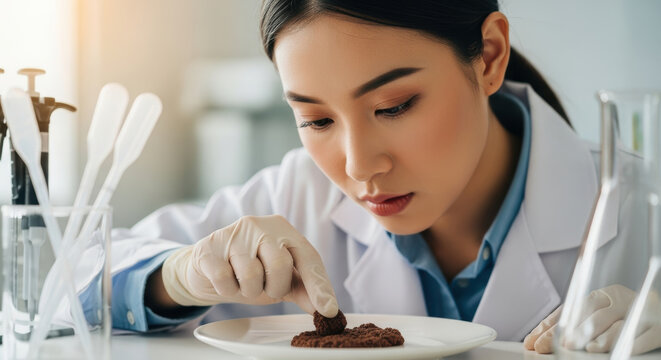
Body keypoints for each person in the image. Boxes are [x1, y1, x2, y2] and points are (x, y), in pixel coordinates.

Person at [100, 0, 658, 355]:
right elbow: (68, 274)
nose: (359, 165)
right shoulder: (298, 194)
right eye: (316, 120)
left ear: (489, 56)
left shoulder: (639, 208)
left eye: (393, 106)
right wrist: (175, 277)